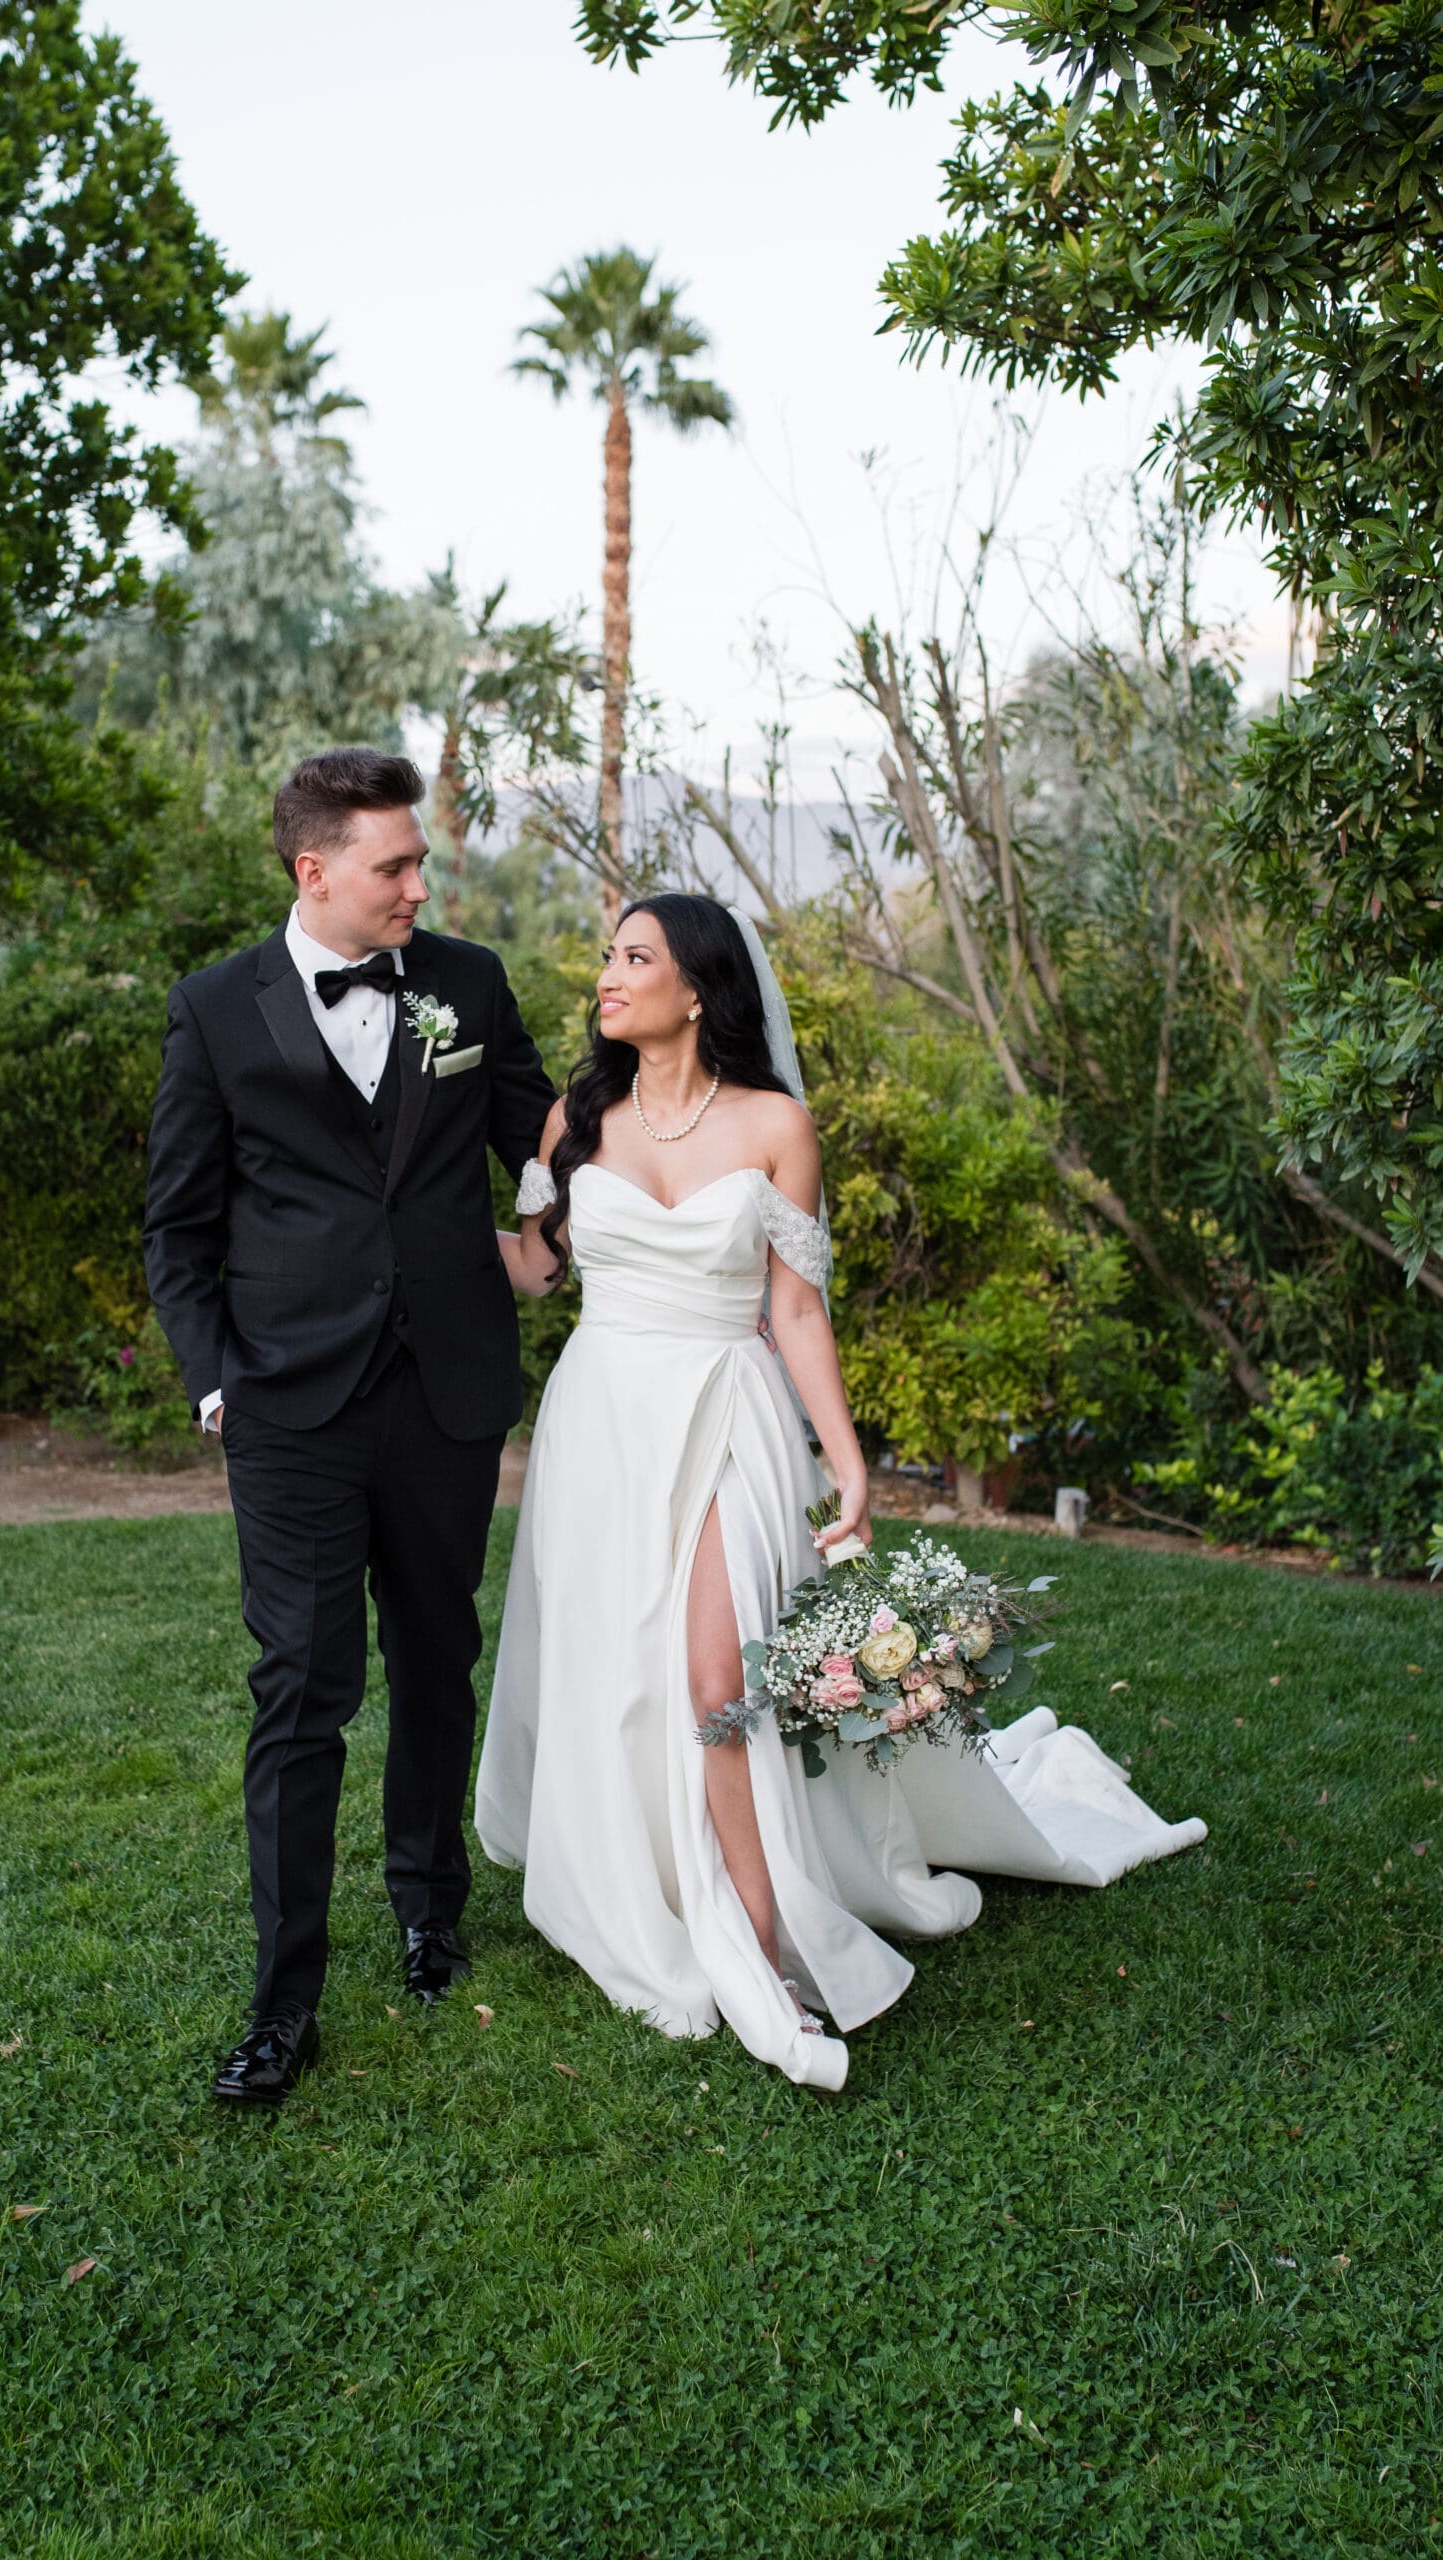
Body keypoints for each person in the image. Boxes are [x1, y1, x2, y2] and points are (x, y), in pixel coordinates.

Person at [476, 893, 1205, 2091]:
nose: (605, 975)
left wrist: (848, 1457)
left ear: (697, 989)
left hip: (724, 1415)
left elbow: (794, 1309)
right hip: (601, 1425)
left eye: (632, 957)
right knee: (621, 1673)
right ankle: (634, 1875)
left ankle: (759, 1938)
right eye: (607, 956)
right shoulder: (574, 1119)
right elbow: (535, 1275)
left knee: (719, 1680)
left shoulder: (774, 1125)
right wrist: (445, 1195)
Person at [144, 748, 554, 2103]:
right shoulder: (214, 1011)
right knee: (302, 1689)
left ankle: (430, 1912)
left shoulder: (469, 984)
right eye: (394, 865)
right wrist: (217, 1379)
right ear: (313, 870)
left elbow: (542, 1138)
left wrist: (547, 1218)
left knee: (438, 1659)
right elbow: (179, 1224)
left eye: (419, 863)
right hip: (290, 1407)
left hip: (444, 1393)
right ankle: (283, 2000)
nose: (417, 887)